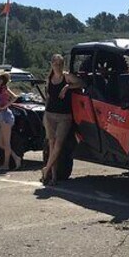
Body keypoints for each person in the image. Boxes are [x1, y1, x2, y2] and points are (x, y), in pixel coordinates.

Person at [41, 54, 84, 185]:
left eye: (60, 64)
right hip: (50, 114)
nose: (58, 66)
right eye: (55, 64)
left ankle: (46, 170)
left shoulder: (66, 77)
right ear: (52, 64)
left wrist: (67, 87)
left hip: (64, 116)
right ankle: (53, 176)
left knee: (58, 145)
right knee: (51, 144)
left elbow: (82, 83)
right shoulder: (49, 78)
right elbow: (48, 97)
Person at [0, 70, 21, 171]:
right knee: (1, 143)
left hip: (5, 115)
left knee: (6, 143)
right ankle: (16, 158)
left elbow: (14, 97)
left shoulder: (4, 88)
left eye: (0, 78)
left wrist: (5, 107)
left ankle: (6, 164)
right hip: (0, 116)